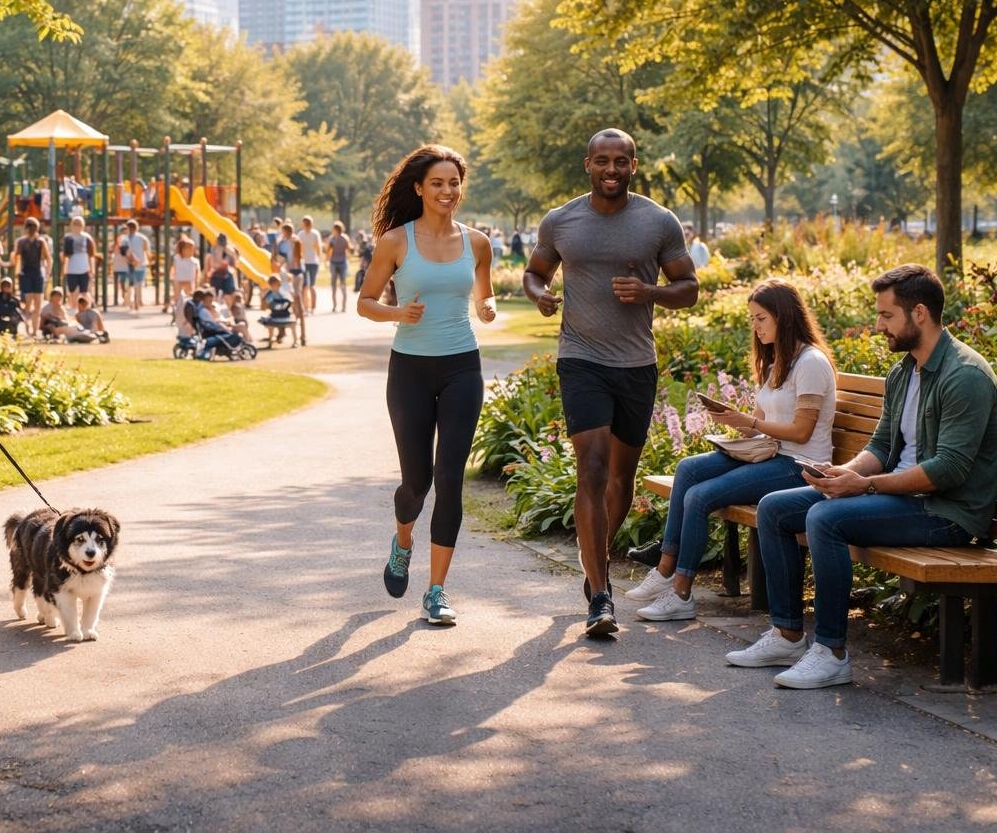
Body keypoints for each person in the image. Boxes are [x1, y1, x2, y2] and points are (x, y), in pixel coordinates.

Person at [732, 265, 997, 689]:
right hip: (901, 498)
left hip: (945, 512)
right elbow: (880, 446)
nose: (878, 326)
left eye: (885, 315)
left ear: (919, 314)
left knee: (825, 519)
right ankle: (787, 635)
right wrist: (844, 472)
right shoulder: (904, 372)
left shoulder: (964, 376)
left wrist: (865, 485)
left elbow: (947, 471)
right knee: (775, 508)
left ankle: (831, 652)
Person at [523, 128, 699, 638]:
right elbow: (535, 272)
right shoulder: (561, 220)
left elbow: (689, 288)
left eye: (621, 161)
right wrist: (541, 294)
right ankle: (601, 595)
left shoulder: (657, 221)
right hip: (581, 359)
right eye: (603, 161)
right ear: (588, 165)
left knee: (621, 478)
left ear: (634, 167)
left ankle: (593, 563)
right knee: (592, 469)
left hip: (636, 364)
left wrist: (650, 291)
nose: (612, 170)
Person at [626, 279, 837, 622]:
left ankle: (680, 593)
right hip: (770, 453)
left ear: (784, 317)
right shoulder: (777, 362)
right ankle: (665, 568)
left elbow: (801, 431)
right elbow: (763, 422)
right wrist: (734, 421)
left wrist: (751, 424)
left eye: (761, 319)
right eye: (752, 319)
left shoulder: (810, 362)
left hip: (798, 464)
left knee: (700, 495)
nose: (754, 327)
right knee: (688, 469)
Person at [358, 144, 498, 627]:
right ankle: (402, 542)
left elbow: (484, 290)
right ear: (418, 188)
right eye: (437, 183)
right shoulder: (396, 241)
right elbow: (366, 302)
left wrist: (487, 307)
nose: (447, 191)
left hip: (462, 366)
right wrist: (399, 313)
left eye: (454, 183)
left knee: (450, 479)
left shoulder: (478, 242)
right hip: (411, 370)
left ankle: (436, 591)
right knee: (416, 483)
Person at [13, 217, 50, 336]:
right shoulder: (21, 242)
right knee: (28, 303)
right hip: (26, 273)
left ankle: (34, 330)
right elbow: (16, 257)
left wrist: (47, 272)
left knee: (38, 304)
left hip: (37, 273)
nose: (31, 230)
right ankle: (28, 327)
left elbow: (48, 257)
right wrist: (16, 270)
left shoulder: (41, 242)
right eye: (30, 227)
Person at [60, 216, 97, 299]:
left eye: (79, 224)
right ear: (71, 225)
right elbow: (64, 256)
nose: (77, 226)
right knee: (73, 291)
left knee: (85, 292)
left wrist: (92, 270)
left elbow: (91, 255)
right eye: (75, 224)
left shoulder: (87, 238)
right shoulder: (67, 238)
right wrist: (64, 269)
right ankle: (74, 309)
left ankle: (85, 309)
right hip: (71, 269)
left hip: (84, 269)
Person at [121, 219, 150, 315]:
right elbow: (147, 251)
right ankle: (137, 302)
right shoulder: (143, 238)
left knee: (130, 285)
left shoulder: (125, 239)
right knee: (138, 284)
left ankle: (133, 302)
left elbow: (124, 253)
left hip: (131, 264)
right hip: (141, 263)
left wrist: (131, 260)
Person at [297, 216, 324, 311]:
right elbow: (318, 248)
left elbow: (299, 248)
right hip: (313, 261)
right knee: (311, 285)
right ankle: (312, 306)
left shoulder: (301, 234)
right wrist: (320, 259)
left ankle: (306, 306)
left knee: (305, 285)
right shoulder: (315, 233)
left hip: (306, 261)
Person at [206, 233, 239, 307]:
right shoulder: (214, 250)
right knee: (215, 295)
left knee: (229, 295)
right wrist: (219, 251)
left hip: (227, 275)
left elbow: (234, 265)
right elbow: (214, 264)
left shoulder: (230, 251)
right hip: (217, 275)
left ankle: (229, 309)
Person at [325, 221, 352, 312]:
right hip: (340, 262)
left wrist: (326, 260)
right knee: (338, 284)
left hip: (337, 263)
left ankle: (338, 306)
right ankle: (338, 306)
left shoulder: (332, 238)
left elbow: (327, 250)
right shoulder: (344, 238)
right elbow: (349, 249)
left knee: (337, 285)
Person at [171, 235, 200, 307]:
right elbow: (173, 269)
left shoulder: (195, 261)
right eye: (188, 248)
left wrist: (197, 283)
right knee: (177, 298)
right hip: (179, 281)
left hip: (190, 282)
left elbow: (197, 273)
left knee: (189, 297)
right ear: (182, 249)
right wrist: (172, 278)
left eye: (192, 248)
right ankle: (176, 312)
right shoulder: (177, 258)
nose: (191, 250)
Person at [111, 226, 130, 306]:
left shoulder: (127, 240)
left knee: (123, 283)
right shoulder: (121, 240)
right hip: (120, 265)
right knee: (122, 283)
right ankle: (121, 299)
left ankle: (123, 299)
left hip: (123, 265)